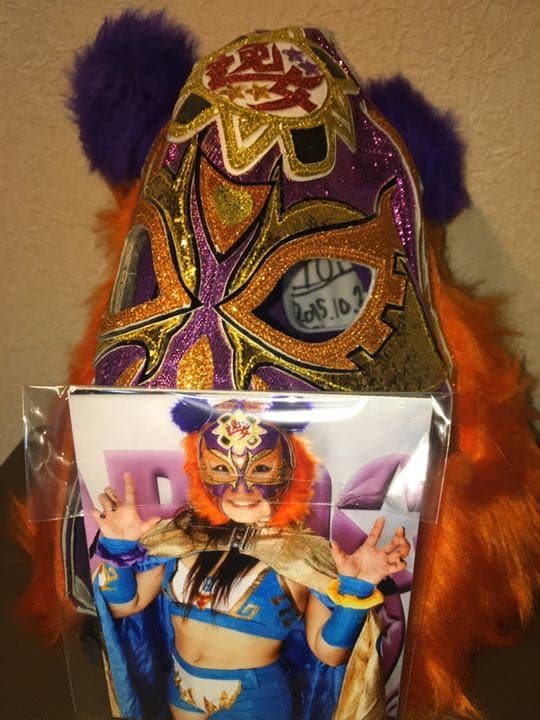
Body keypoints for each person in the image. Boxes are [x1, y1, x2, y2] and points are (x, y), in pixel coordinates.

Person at [92, 400, 410, 720]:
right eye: (221, 468)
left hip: (254, 700)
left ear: (291, 470)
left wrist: (356, 590)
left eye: (260, 469)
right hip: (181, 688)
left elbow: (329, 654)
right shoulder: (181, 536)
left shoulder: (302, 553)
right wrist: (117, 547)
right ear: (201, 468)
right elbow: (125, 605)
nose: (241, 488)